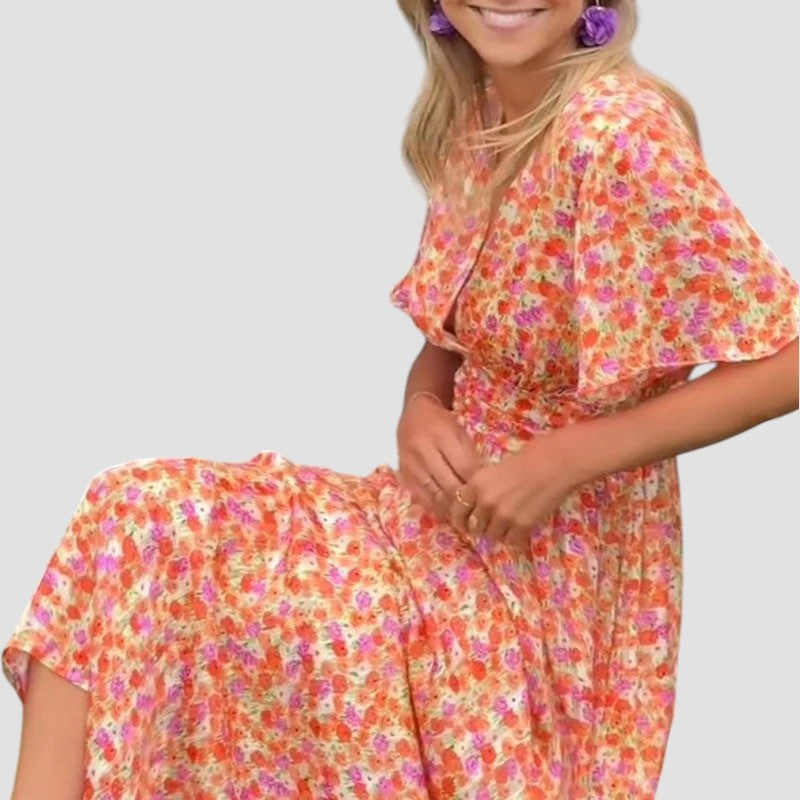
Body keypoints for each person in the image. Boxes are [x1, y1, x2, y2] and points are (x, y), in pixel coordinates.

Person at [4, 1, 799, 798]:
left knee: (305, 630)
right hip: (437, 518)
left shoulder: (618, 133)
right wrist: (421, 404)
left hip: (554, 568)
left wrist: (564, 460)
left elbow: (788, 361)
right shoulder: (479, 120)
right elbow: (456, 335)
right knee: (133, 518)